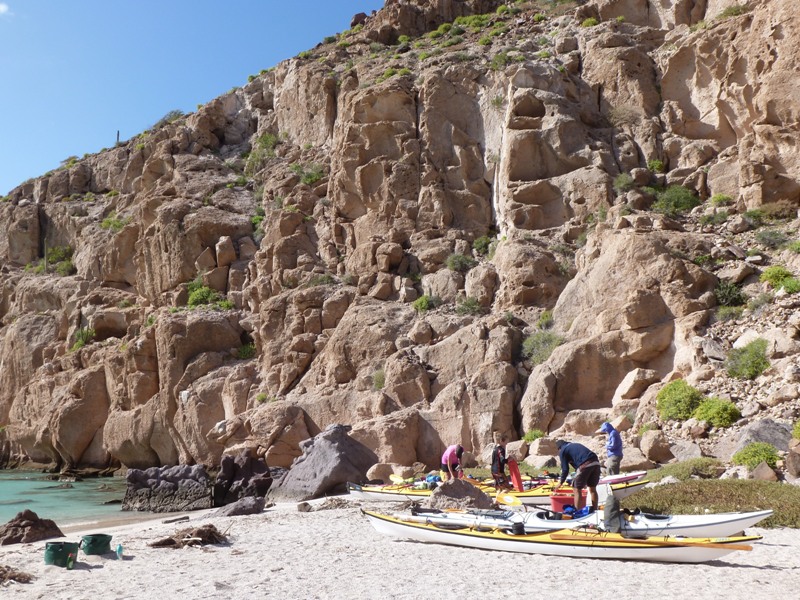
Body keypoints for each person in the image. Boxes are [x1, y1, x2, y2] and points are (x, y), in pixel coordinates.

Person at [553, 439, 600, 511]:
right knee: (592, 489)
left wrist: (560, 482)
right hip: (596, 462)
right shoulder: (573, 446)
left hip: (585, 463)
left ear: (559, 448)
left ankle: (577, 512)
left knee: (577, 489)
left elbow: (565, 469)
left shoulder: (563, 450)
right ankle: (595, 509)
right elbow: (577, 467)